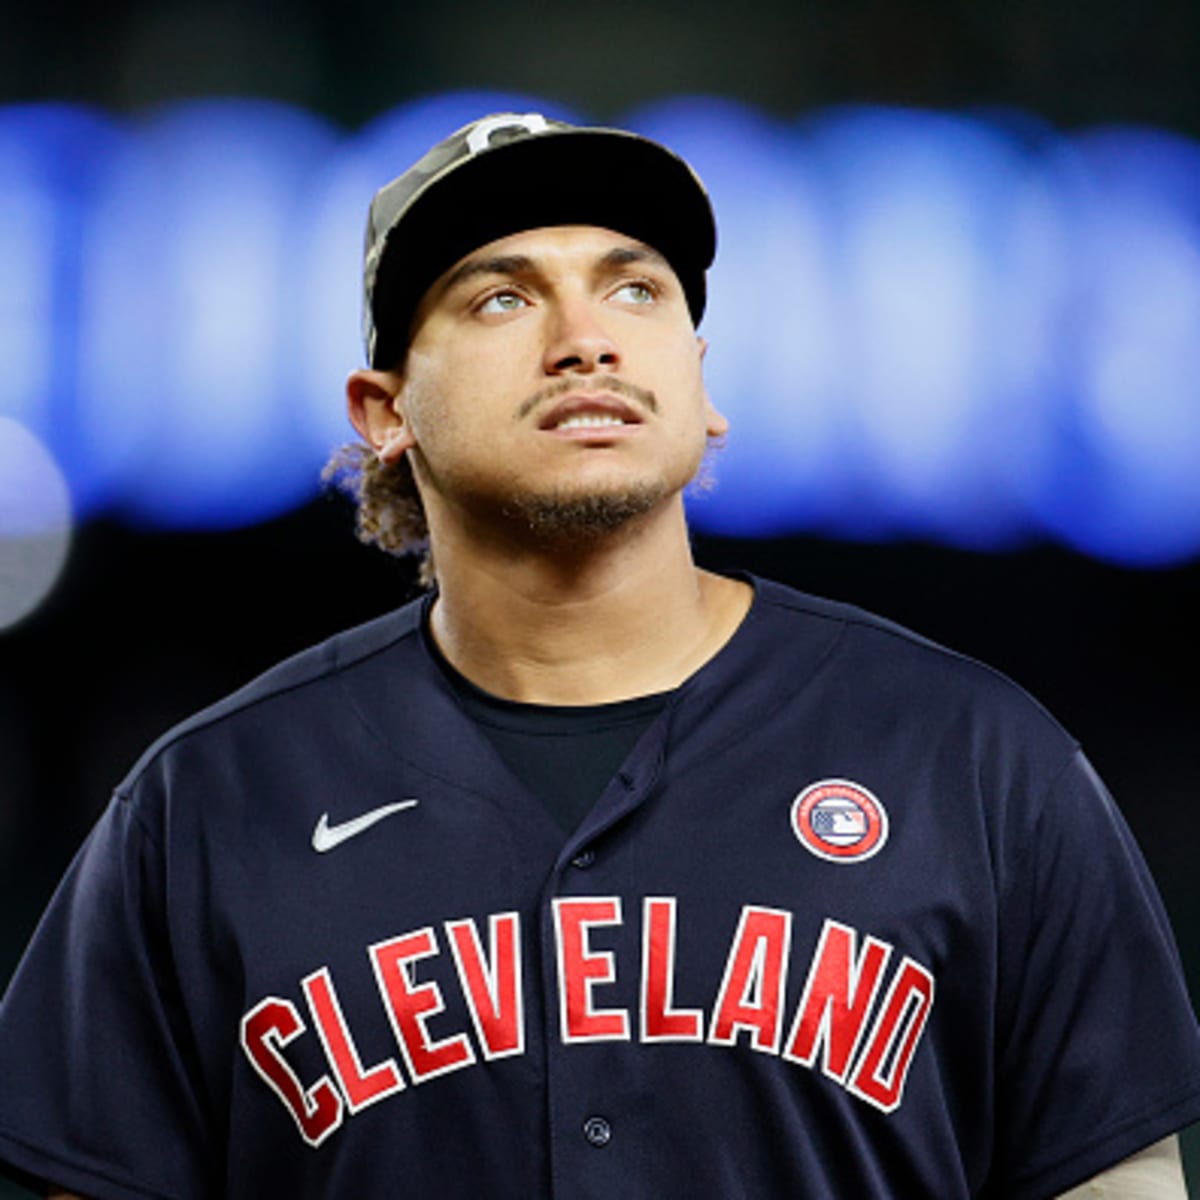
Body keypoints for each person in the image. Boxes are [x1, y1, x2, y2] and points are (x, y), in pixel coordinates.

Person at [1, 112, 1198, 1200]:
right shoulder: (210, 800)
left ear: (701, 384)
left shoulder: (974, 757)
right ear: (384, 412)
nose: (587, 341)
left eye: (635, 291)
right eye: (501, 299)